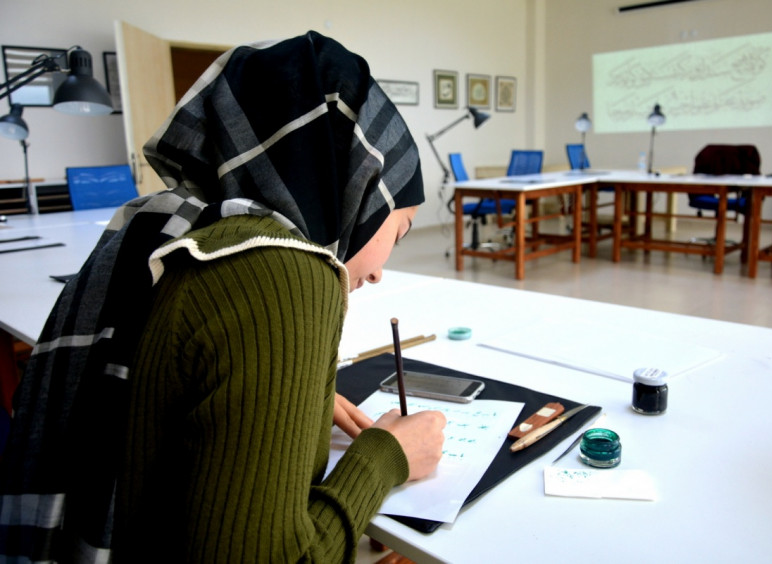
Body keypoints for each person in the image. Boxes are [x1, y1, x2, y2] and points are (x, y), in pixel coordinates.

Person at [0, 31, 446, 563]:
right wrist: (388, 457)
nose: (378, 275)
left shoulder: (158, 222)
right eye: (400, 232)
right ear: (362, 187)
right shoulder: (287, 272)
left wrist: (270, 393)